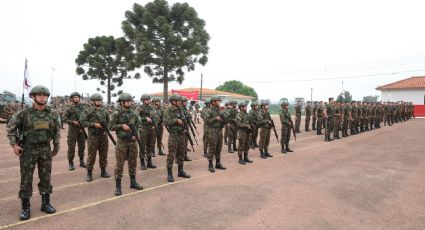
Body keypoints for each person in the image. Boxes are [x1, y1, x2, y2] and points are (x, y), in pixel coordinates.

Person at [7, 85, 60, 220]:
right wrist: (14, 145)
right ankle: (25, 207)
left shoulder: (53, 113)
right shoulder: (24, 113)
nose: (42, 97)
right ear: (33, 96)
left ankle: (45, 203)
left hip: (45, 149)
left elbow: (56, 131)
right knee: (26, 179)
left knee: (46, 177)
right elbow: (11, 129)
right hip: (28, 149)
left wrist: (56, 145)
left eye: (45, 95)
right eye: (39, 95)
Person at [109, 93, 143, 196]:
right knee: (120, 164)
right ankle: (118, 186)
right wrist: (121, 126)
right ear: (122, 102)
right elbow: (111, 126)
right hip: (122, 142)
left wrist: (135, 135)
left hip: (132, 141)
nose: (129, 103)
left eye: (130, 101)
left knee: (133, 162)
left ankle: (133, 182)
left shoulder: (134, 112)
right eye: (127, 101)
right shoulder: (116, 113)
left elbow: (139, 125)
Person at [80, 93, 111, 182]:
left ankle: (103, 170)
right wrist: (94, 124)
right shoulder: (88, 110)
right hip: (93, 136)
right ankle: (89, 173)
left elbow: (108, 121)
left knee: (103, 154)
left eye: (100, 100)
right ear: (93, 101)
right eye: (97, 101)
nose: (98, 102)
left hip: (103, 136)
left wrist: (106, 128)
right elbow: (82, 122)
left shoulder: (104, 110)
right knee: (91, 155)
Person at [163, 94, 191, 182]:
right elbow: (166, 121)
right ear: (173, 101)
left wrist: (185, 128)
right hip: (174, 135)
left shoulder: (181, 110)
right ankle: (170, 173)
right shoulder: (168, 110)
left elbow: (184, 120)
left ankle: (180, 170)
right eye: (178, 101)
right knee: (171, 154)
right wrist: (176, 120)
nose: (180, 102)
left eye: (180, 101)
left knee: (181, 153)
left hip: (182, 134)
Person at [63, 92, 87, 170]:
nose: (76, 98)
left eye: (78, 97)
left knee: (82, 146)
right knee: (71, 147)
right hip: (72, 130)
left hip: (81, 130)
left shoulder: (83, 108)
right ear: (72, 99)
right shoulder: (69, 108)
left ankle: (81, 161)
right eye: (75, 97)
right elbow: (64, 119)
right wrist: (73, 122)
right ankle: (71, 162)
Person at [205, 96, 226, 173]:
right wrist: (215, 119)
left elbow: (223, 118)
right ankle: (210, 164)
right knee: (212, 147)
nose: (219, 102)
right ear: (213, 102)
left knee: (219, 147)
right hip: (212, 131)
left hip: (219, 130)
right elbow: (207, 121)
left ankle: (218, 163)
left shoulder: (219, 110)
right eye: (218, 101)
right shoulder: (209, 110)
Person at [137, 94, 157, 170]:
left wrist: (154, 123)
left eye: (149, 99)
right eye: (146, 99)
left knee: (150, 145)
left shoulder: (152, 107)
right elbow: (136, 117)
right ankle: (142, 163)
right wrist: (144, 118)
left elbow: (155, 116)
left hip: (151, 128)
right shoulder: (140, 108)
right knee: (142, 145)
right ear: (143, 100)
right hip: (143, 129)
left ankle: (149, 162)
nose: (148, 100)